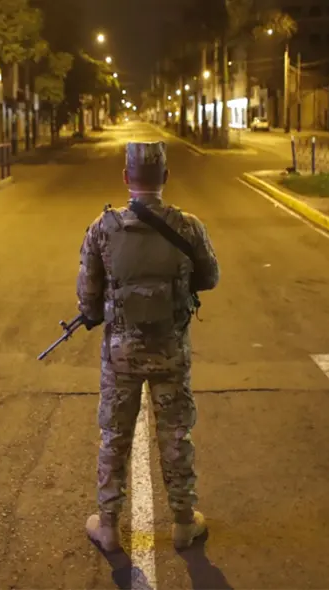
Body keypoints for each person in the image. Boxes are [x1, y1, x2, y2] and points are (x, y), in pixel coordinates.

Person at [76, 140, 220, 552]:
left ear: (126, 178)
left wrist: (99, 309)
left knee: (115, 436)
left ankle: (107, 525)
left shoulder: (103, 228)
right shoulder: (188, 226)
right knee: (175, 434)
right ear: (165, 178)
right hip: (170, 350)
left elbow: (88, 297)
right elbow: (210, 277)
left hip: (120, 354)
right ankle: (182, 521)